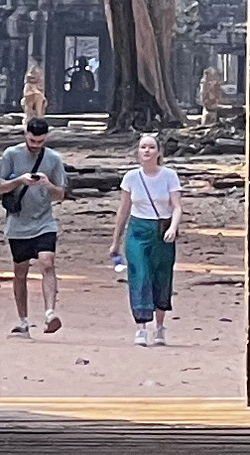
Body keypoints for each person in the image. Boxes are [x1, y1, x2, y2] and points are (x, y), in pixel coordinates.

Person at [107, 129, 183, 347]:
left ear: (159, 152)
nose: (147, 151)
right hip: (138, 230)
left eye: (151, 147)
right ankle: (141, 327)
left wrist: (173, 227)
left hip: (162, 229)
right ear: (138, 152)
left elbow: (177, 206)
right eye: (143, 147)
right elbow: (124, 210)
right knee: (139, 274)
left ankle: (159, 326)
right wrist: (116, 241)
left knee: (161, 276)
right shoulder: (131, 177)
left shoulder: (169, 176)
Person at [0, 114, 66, 334]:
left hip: (44, 221)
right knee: (20, 271)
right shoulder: (11, 155)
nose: (36, 146)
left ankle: (50, 313)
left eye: (40, 142)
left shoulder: (53, 159)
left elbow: (61, 194)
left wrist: (47, 184)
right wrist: (19, 180)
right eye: (32, 141)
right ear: (26, 135)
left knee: (47, 262)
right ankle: (23, 319)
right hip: (17, 223)